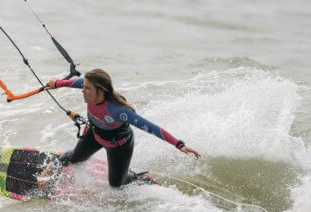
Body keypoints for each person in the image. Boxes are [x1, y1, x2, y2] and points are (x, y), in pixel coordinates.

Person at [44, 68, 200, 187]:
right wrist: (56, 84)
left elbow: (152, 128)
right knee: (73, 158)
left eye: (87, 88)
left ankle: (137, 177)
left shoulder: (118, 111)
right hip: (95, 135)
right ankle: (46, 175)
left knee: (116, 184)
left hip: (118, 146)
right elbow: (76, 82)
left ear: (100, 90)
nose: (82, 91)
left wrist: (179, 144)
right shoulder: (91, 89)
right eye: (83, 87)